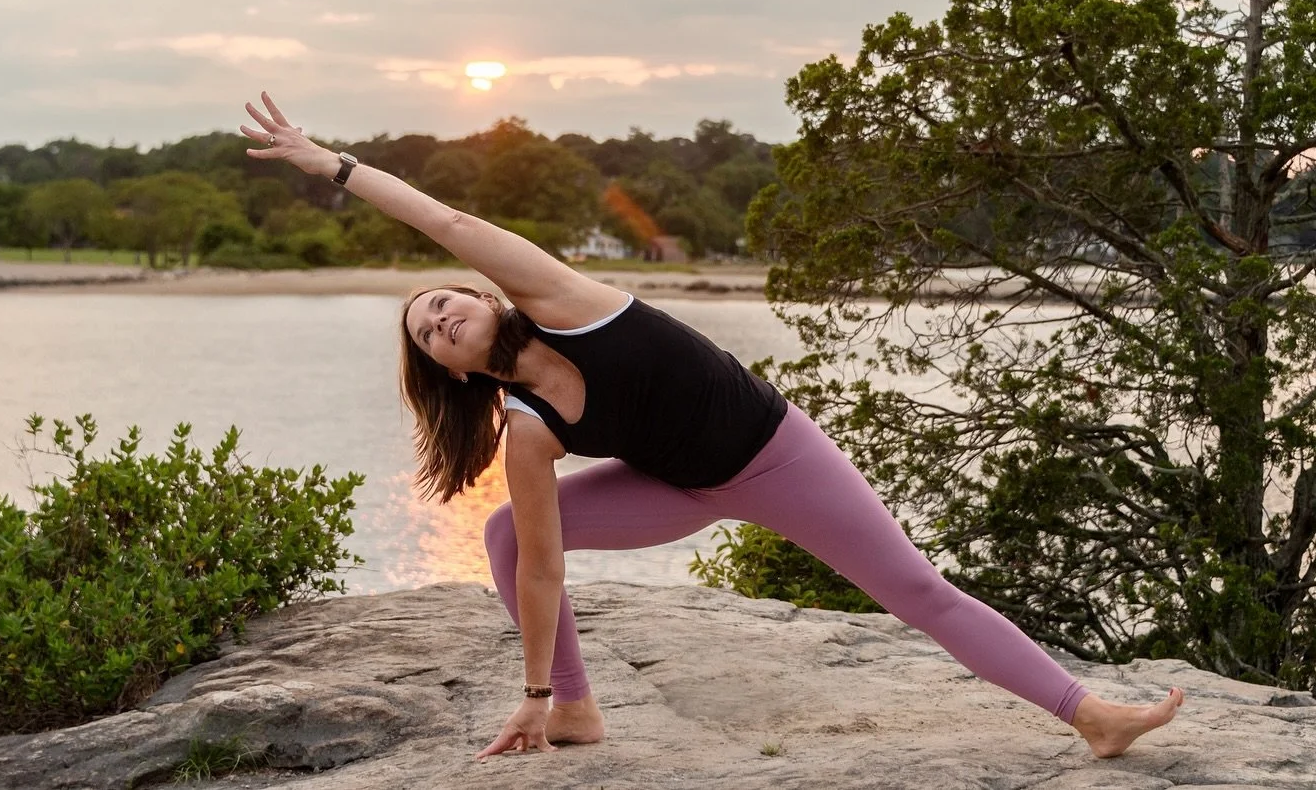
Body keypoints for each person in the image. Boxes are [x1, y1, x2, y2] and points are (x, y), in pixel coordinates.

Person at [241, 92, 1184, 761]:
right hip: (677, 489)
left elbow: (443, 217)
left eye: (445, 299)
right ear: (446, 367)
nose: (439, 312)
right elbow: (540, 565)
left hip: (776, 454)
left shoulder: (563, 297)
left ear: (483, 296)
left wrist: (333, 165)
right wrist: (534, 694)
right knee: (503, 534)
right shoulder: (526, 428)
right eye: (425, 327)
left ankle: (1089, 712)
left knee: (916, 592)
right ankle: (576, 712)